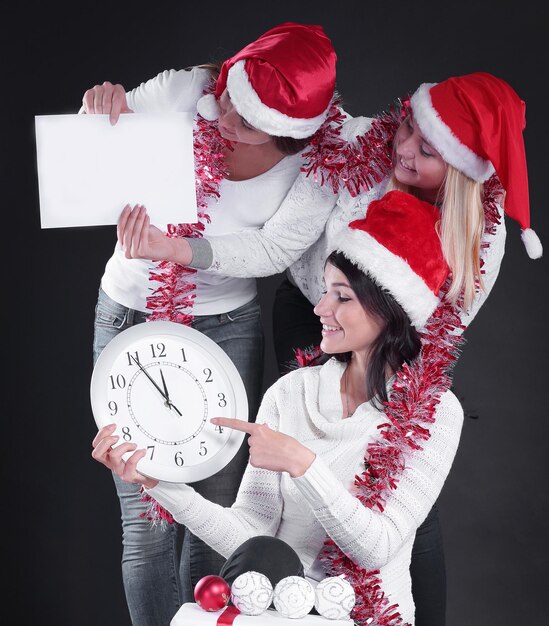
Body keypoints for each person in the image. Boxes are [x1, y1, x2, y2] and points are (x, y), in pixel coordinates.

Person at [117, 71, 542, 625]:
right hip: (319, 310)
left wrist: (393, 414)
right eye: (408, 127)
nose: (404, 149)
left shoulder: (479, 231)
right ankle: (303, 593)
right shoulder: (359, 151)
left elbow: (437, 333)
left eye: (428, 149)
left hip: (397, 335)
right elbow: (277, 245)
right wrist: (159, 481)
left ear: (461, 168)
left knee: (394, 491)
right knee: (291, 481)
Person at [93, 190, 465, 626]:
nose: (320, 308)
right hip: (279, 615)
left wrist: (302, 465)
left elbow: (377, 547)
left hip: (366, 617)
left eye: (342, 298)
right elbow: (250, 534)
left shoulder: (433, 412)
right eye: (325, 291)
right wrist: (158, 482)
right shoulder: (290, 393)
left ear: (391, 310)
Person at [84, 21, 338, 625]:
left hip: (226, 323)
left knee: (216, 512)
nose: (223, 120)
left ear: (288, 134)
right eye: (225, 101)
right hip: (130, 310)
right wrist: (101, 107)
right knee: (145, 521)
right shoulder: (183, 91)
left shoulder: (318, 164)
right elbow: (91, 146)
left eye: (245, 122)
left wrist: (182, 253)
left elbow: (273, 252)